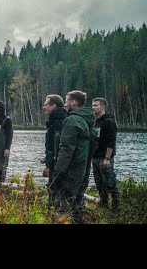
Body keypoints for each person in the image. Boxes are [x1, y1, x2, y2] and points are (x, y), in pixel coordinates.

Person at [52, 90, 95, 224]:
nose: (65, 104)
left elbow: (66, 149)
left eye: (67, 100)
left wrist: (58, 171)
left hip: (71, 169)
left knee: (64, 205)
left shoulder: (72, 120)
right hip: (82, 168)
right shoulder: (87, 120)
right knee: (78, 204)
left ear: (74, 102)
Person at [91, 97, 120, 213]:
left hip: (105, 158)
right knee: (99, 184)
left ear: (103, 106)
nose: (93, 107)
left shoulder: (109, 122)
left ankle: (116, 208)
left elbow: (111, 141)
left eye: (96, 105)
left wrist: (107, 158)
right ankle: (104, 207)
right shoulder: (96, 122)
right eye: (93, 105)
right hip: (95, 157)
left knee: (111, 183)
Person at [42, 94, 68, 206]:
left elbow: (57, 146)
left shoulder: (58, 122)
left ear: (54, 106)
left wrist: (49, 165)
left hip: (57, 164)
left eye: (46, 105)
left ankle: (55, 213)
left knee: (55, 188)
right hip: (58, 161)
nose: (44, 107)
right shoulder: (57, 119)